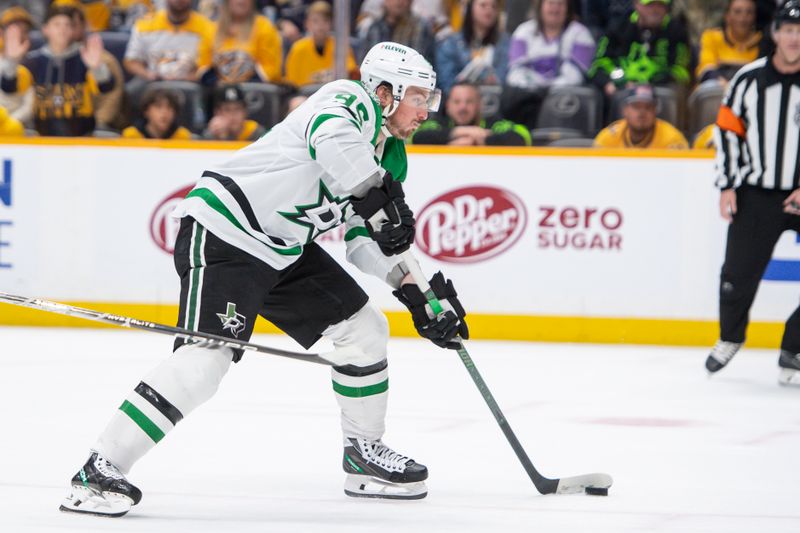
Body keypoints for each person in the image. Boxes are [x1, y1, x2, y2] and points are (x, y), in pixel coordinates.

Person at [59, 41, 469, 517]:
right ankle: (98, 469)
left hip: (284, 248)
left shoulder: (391, 156)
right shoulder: (348, 100)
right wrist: (374, 192)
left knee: (365, 330)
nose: (427, 109)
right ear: (385, 91)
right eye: (419, 97)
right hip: (226, 230)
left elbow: (364, 241)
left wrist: (417, 294)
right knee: (206, 360)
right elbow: (332, 140)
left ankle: (363, 455)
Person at [705, 0, 800, 386]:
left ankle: (794, 346)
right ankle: (730, 337)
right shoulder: (748, 79)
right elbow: (727, 132)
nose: (795, 37)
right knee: (736, 276)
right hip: (756, 193)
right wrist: (728, 183)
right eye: (789, 30)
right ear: (775, 34)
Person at [0, 4, 114, 136]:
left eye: (67, 25)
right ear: (45, 29)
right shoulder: (33, 61)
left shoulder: (85, 58)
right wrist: (12, 61)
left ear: (72, 31)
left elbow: (106, 88)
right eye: (57, 24)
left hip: (82, 136)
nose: (63, 29)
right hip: (42, 135)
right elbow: (8, 87)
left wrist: (97, 67)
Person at [502, 0, 596, 129]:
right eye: (551, 3)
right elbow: (515, 72)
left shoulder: (581, 34)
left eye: (560, 4)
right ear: (540, 6)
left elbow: (575, 76)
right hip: (527, 96)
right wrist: (534, 89)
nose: (555, 8)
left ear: (567, 9)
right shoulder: (523, 32)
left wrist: (547, 90)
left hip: (563, 98)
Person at [589, 0, 690, 98]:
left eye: (661, 5)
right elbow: (598, 64)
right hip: (620, 93)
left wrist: (649, 85)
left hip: (659, 95)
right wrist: (609, 83)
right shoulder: (618, 27)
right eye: (650, 5)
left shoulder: (677, 30)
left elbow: (681, 71)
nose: (656, 10)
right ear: (636, 4)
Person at [410, 81, 531, 145]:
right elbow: (416, 137)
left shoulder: (494, 124)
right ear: (448, 106)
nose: (463, 107)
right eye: (457, 102)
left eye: (469, 102)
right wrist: (462, 132)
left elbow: (523, 136)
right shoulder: (437, 124)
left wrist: (480, 142)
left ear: (479, 105)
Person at [123, 0, 215, 84]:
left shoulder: (207, 27)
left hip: (190, 84)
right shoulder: (145, 24)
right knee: (131, 91)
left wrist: (190, 77)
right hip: (152, 82)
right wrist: (147, 74)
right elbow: (131, 61)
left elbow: (208, 67)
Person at [435, 0, 509, 96]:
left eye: (494, 6)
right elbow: (445, 82)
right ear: (470, 8)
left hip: (494, 101)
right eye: (483, 5)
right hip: (460, 101)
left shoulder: (504, 42)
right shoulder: (451, 42)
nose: (489, 10)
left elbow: (506, 77)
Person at [283, 0, 357, 88]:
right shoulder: (298, 48)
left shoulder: (340, 46)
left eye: (325, 21)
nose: (320, 25)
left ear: (331, 23)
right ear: (307, 23)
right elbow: (291, 84)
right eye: (315, 21)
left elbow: (350, 74)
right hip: (305, 97)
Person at [206, 0, 282, 85]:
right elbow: (203, 68)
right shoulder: (211, 29)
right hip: (216, 92)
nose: (241, 1)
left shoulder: (265, 27)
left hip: (253, 91)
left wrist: (241, 84)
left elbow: (271, 70)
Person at [593, 83, 688, 148]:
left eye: (648, 107)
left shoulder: (672, 139)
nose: (642, 112)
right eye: (636, 107)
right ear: (624, 110)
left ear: (655, 111)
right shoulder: (608, 138)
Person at [696, 0, 761, 84]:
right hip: (717, 91)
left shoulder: (763, 42)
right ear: (727, 16)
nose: (743, 18)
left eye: (749, 12)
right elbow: (705, 68)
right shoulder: (712, 37)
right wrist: (725, 86)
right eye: (737, 12)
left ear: (755, 16)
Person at [358, 0, 436, 65]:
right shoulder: (374, 27)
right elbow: (365, 62)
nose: (400, 1)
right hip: (377, 80)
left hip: (409, 80)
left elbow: (420, 64)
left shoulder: (421, 27)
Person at [0, 6, 34, 126]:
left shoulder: (32, 63)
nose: (19, 35)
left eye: (24, 30)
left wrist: (10, 123)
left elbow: (28, 106)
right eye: (13, 30)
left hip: (17, 130)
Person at [121, 86, 193, 139]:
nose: (164, 112)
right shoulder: (131, 136)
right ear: (146, 111)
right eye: (158, 107)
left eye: (170, 107)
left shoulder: (183, 137)